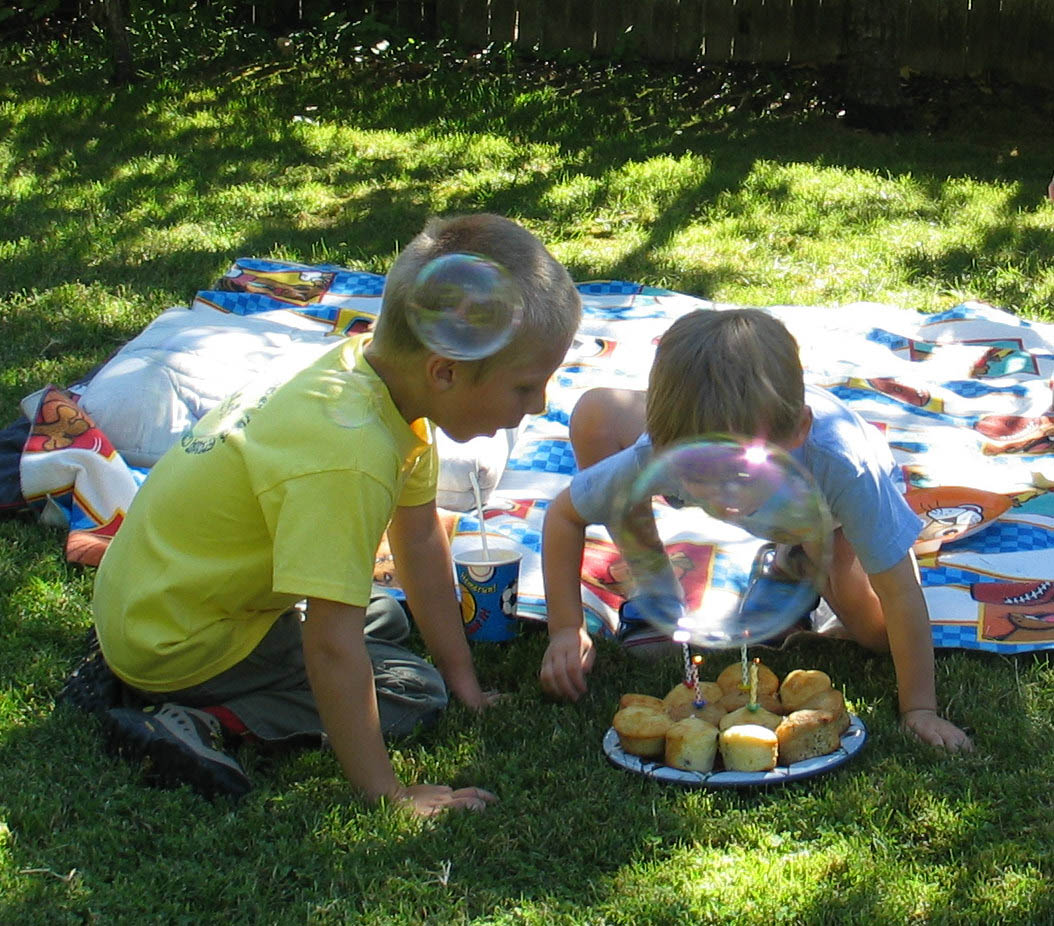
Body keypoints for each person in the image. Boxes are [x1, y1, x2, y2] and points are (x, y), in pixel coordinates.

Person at [92, 213, 582, 813]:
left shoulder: (376, 378)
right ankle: (200, 720)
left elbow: (420, 542)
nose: (541, 404)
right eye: (526, 386)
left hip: (156, 598)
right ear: (445, 372)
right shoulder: (351, 456)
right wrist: (388, 794)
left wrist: (468, 684)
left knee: (384, 614)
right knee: (410, 691)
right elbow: (330, 646)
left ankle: (154, 669)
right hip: (180, 641)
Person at [539, 307, 973, 752]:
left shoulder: (843, 468)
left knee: (876, 635)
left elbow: (900, 591)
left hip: (828, 516)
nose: (725, 495)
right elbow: (564, 516)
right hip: (734, 445)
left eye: (741, 474)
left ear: (799, 430)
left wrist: (920, 708)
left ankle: (799, 560)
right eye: (701, 474)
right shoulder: (661, 452)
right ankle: (657, 596)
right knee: (595, 416)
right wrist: (566, 629)